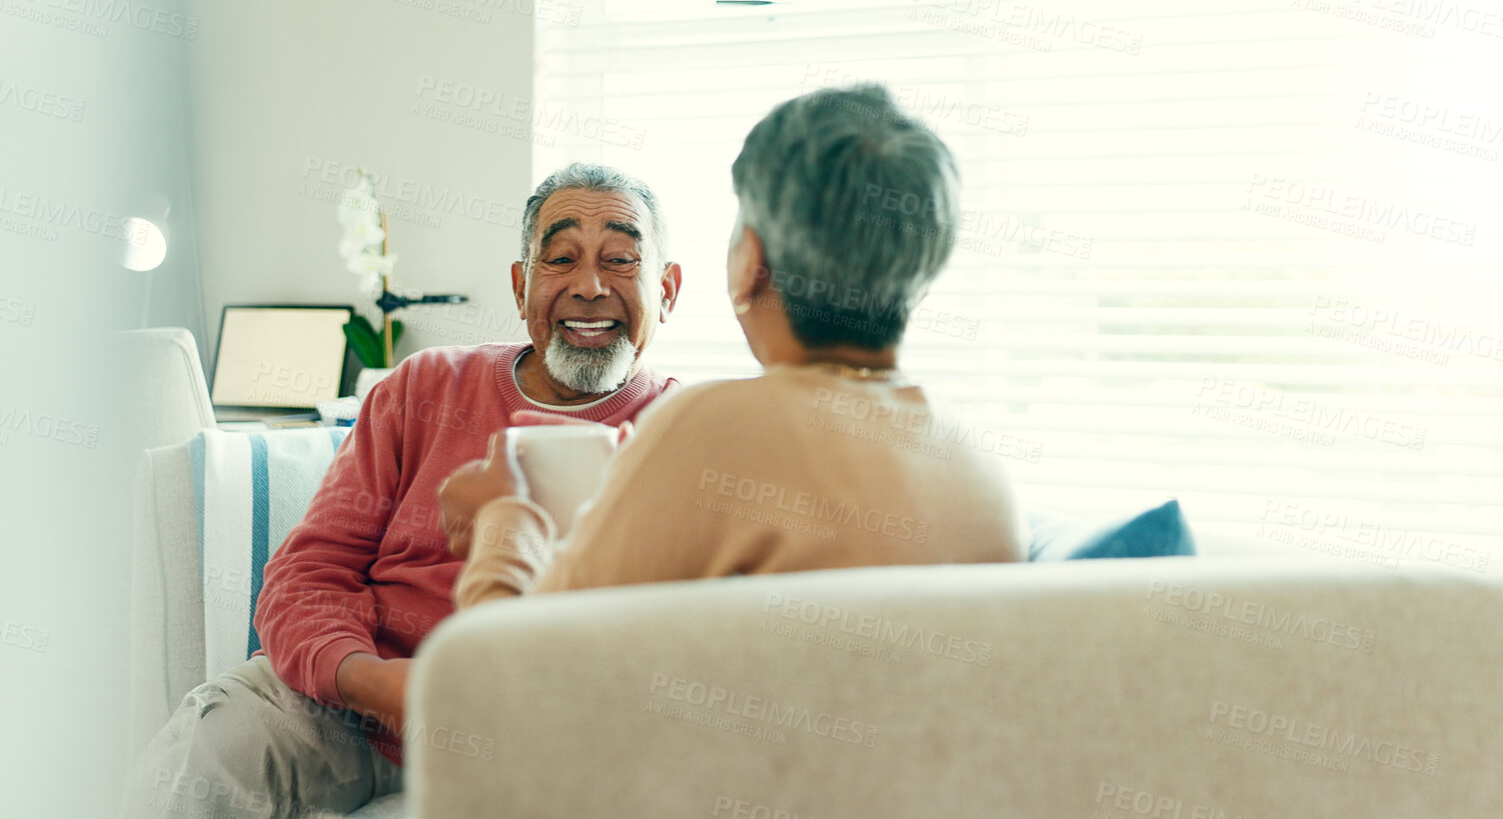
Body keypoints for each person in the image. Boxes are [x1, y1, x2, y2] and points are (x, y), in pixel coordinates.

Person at [124, 163, 682, 818]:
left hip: (552, 744)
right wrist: (383, 683)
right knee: (218, 745)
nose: (590, 286)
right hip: (355, 716)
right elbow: (307, 576)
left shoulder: (688, 433)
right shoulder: (424, 388)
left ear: (667, 289)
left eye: (620, 259)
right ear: (521, 282)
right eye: (560, 258)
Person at [438, 84, 1024, 614]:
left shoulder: (706, 429)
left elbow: (511, 683)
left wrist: (501, 520)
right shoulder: (981, 470)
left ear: (752, 263)